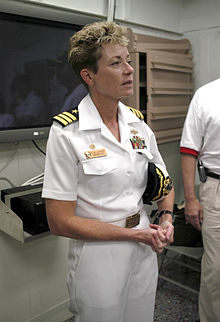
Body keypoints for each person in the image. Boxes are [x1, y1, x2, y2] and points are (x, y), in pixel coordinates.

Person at [42, 21, 174, 322]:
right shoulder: (67, 133)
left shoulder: (137, 123)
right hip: (99, 254)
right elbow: (59, 221)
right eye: (116, 63)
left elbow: (164, 182)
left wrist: (166, 217)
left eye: (128, 60)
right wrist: (133, 236)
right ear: (89, 76)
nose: (129, 69)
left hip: (144, 244)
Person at [180, 78, 220, 322]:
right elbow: (188, 150)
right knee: (216, 269)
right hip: (215, 189)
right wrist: (191, 198)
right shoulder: (206, 95)